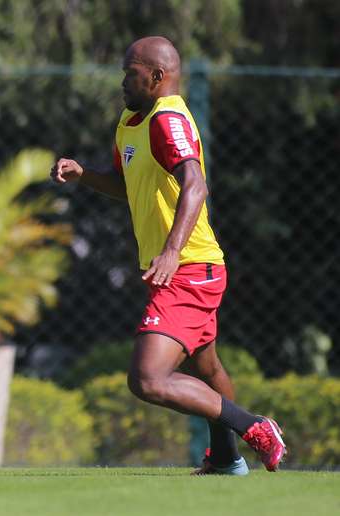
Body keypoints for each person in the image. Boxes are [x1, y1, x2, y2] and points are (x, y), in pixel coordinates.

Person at [51, 36, 286, 474]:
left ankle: (254, 428)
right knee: (208, 368)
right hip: (186, 269)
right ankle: (226, 459)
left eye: (131, 72)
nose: (123, 81)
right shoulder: (130, 122)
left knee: (148, 380)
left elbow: (196, 184)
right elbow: (127, 188)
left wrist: (172, 252)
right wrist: (84, 176)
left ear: (157, 77)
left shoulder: (167, 118)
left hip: (189, 268)